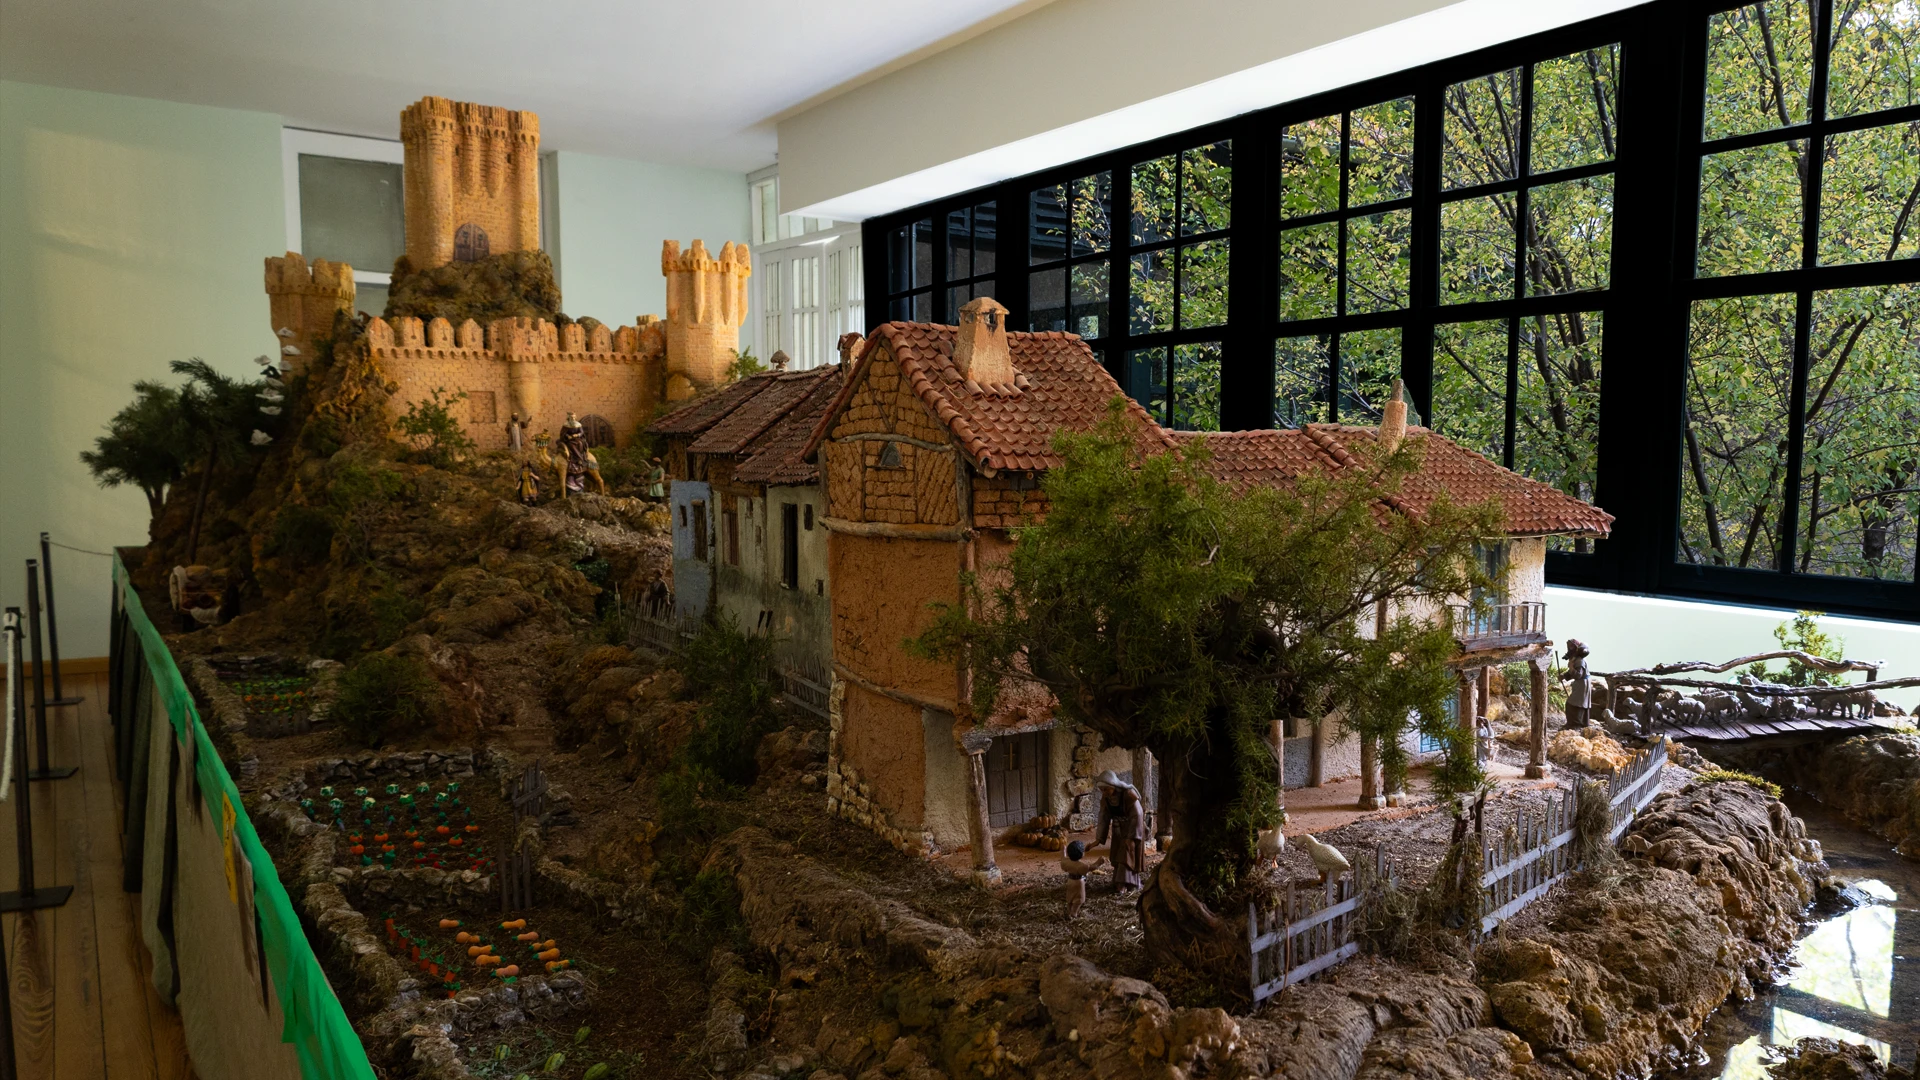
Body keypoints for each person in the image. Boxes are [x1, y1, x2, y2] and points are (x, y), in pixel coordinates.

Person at [1094, 770, 1147, 892]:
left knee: (1127, 855)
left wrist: (1131, 837)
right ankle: (1120, 881)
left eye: (1106, 789)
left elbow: (1137, 815)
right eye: (1102, 790)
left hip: (1131, 829)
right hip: (1118, 830)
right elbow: (1103, 816)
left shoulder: (1128, 795)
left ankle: (1126, 883)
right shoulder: (1106, 799)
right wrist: (1098, 839)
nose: (1104, 793)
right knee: (1117, 856)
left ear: (1113, 786)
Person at [1059, 841, 1106, 920]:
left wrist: (1063, 850)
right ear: (1082, 854)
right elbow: (1091, 868)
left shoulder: (1066, 862)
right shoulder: (1081, 866)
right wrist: (1099, 862)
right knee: (1078, 899)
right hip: (1078, 883)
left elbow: (1063, 858)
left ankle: (1069, 911)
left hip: (1070, 881)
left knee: (1070, 897)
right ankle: (1074, 913)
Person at [558, 413, 591, 493]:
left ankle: (580, 458)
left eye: (574, 417)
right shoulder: (566, 425)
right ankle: (575, 458)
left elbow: (582, 433)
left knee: (580, 443)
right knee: (571, 445)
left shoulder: (578, 424)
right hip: (569, 440)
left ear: (575, 417)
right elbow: (563, 434)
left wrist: (577, 435)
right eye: (571, 417)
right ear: (568, 418)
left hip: (577, 439)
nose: (572, 418)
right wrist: (567, 436)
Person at [1564, 639, 1592, 730]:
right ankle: (1572, 724)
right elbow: (1572, 673)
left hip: (1582, 685)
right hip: (1580, 684)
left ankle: (1575, 725)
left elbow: (1578, 675)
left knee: (1575, 704)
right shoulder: (1576, 659)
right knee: (1576, 703)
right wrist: (1564, 676)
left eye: (1571, 647)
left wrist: (1571, 668)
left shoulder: (1580, 661)